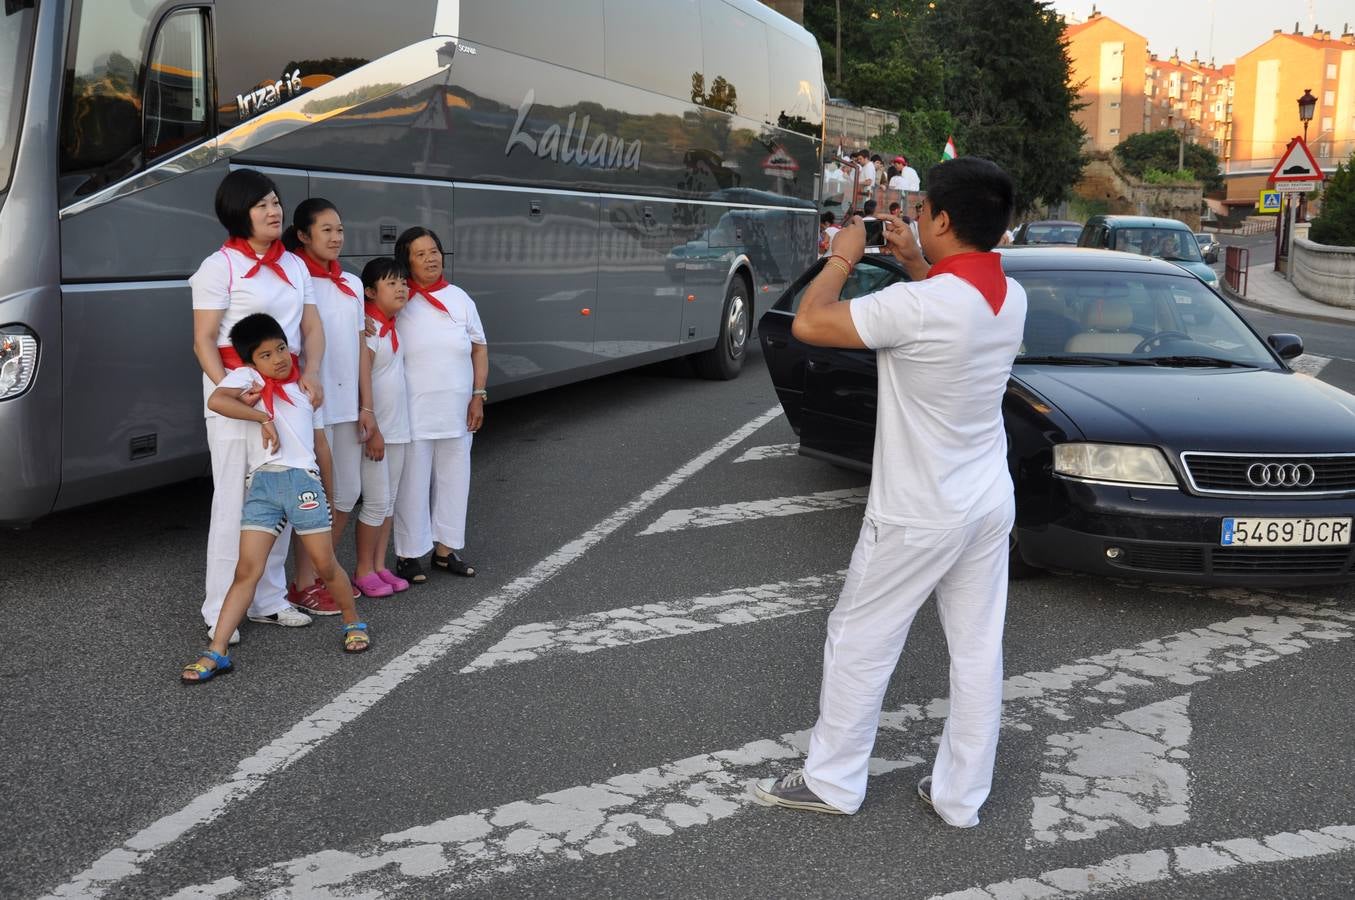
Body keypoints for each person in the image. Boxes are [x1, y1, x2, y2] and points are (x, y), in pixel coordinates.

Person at [752, 157, 1027, 829]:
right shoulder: (1005, 296)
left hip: (918, 508)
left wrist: (842, 257)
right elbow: (942, 309)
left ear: (940, 218)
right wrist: (913, 262)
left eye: (921, 209)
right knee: (975, 649)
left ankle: (832, 782)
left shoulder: (924, 303)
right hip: (987, 495)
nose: (912, 218)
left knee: (859, 638)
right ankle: (960, 798)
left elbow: (810, 325)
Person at [181, 314, 370, 683]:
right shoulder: (247, 380)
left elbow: (320, 446)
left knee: (325, 564)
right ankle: (216, 652)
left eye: (282, 348)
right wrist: (260, 416)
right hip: (264, 486)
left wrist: (328, 494)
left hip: (303, 483)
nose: (278, 358)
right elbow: (219, 400)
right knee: (245, 571)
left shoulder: (306, 388)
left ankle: (353, 623)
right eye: (266, 354)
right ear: (252, 362)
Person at [190, 169, 322, 643]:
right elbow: (204, 340)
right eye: (262, 204)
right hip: (236, 399)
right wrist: (232, 387)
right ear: (238, 212)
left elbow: (311, 329)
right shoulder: (218, 267)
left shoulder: (295, 265)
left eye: (275, 202)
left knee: (281, 497)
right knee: (233, 502)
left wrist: (311, 373)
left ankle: (267, 600)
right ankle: (220, 607)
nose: (273, 211)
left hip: (288, 399)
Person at [283, 198, 374, 610]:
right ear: (303, 235)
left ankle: (322, 575)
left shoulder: (351, 283)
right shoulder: (295, 279)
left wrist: (366, 406)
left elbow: (360, 349)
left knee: (347, 494)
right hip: (311, 407)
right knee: (314, 498)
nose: (336, 237)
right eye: (326, 230)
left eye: (340, 229)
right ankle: (304, 583)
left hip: (347, 406)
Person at [392, 227, 489, 584]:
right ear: (407, 261)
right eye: (420, 254)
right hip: (414, 410)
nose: (431, 258)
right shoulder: (400, 300)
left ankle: (446, 551)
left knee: (454, 480)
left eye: (434, 251)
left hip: (458, 409)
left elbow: (479, 347)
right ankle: (408, 555)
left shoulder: (460, 298)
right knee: (412, 484)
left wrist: (478, 395)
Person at [352, 258, 413, 597]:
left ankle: (379, 565)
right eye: (392, 283)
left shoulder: (391, 326)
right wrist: (372, 431)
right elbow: (364, 386)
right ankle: (362, 569)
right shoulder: (370, 334)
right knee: (375, 502)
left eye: (403, 282)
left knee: (389, 501)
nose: (401, 287)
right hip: (377, 433)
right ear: (370, 292)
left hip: (399, 429)